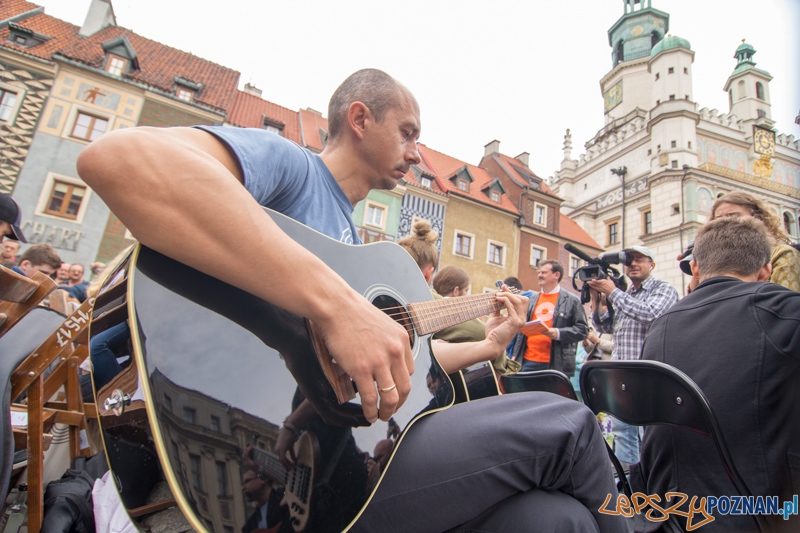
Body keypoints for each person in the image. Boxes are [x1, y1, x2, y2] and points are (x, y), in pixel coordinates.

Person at [78, 68, 626, 532]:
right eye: (408, 133)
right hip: (281, 457)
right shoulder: (292, 166)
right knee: (570, 423)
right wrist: (337, 306)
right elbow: (120, 161)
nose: (417, 155)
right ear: (360, 120)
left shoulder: (354, 242)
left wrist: (490, 344)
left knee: (552, 518)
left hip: (339, 463)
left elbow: (397, 364)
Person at [631, 216, 799, 533]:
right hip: (760, 513)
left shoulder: (662, 325)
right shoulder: (786, 310)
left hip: (666, 511)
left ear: (695, 269)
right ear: (766, 271)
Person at [587, 245, 678, 467]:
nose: (633, 264)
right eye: (629, 260)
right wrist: (597, 299)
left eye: (640, 259)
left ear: (652, 265)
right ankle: (631, 484)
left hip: (648, 373)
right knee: (623, 432)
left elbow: (650, 314)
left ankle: (649, 483)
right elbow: (605, 326)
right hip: (622, 374)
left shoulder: (663, 289)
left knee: (648, 434)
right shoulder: (625, 295)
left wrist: (613, 292)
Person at [509, 260, 588, 375]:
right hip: (527, 361)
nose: (539, 275)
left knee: (551, 394)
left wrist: (558, 333)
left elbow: (583, 330)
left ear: (557, 275)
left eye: (544, 272)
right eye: (539, 272)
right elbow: (521, 331)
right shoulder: (531, 300)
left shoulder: (572, 301)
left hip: (556, 364)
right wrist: (515, 355)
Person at [710, 190, 800, 291]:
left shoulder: (782, 254)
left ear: (757, 217)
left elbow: (784, 301)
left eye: (733, 216)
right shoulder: (715, 260)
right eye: (718, 219)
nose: (725, 224)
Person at [241, 469, 290, 533]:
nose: (242, 488)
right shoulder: (249, 526)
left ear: (262, 479)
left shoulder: (285, 499)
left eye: (247, 482)